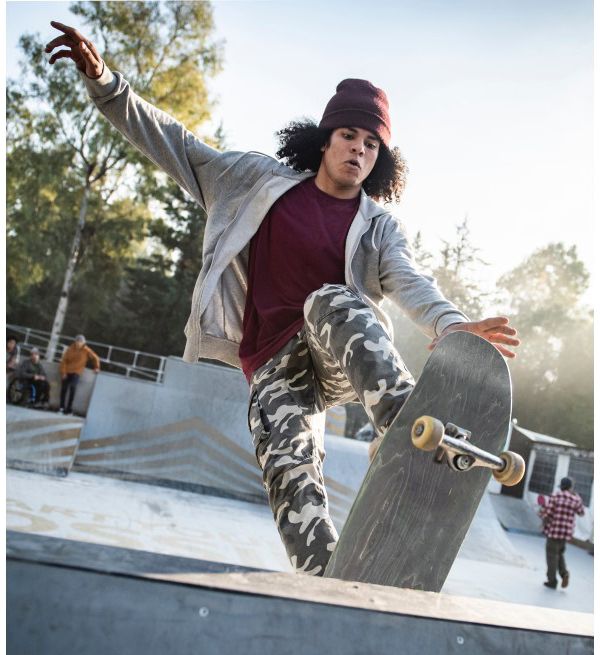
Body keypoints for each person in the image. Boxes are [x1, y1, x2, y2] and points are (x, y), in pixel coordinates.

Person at [46, 22, 520, 576]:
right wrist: (105, 82)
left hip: (338, 355)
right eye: (350, 137)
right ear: (325, 139)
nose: (359, 151)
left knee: (328, 302)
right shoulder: (252, 180)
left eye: (372, 146)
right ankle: (325, 576)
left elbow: (411, 281)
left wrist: (451, 324)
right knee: (286, 466)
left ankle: (403, 425)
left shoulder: (378, 227)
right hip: (273, 367)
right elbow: (175, 143)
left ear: (379, 160)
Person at [539, 477, 585, 589]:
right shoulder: (576, 499)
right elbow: (581, 513)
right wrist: (576, 496)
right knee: (559, 554)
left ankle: (552, 581)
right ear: (570, 487)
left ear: (561, 486)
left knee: (551, 556)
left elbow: (548, 514)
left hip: (554, 531)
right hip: (566, 534)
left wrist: (543, 522)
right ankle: (564, 573)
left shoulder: (556, 496)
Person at [59, 334, 100, 414]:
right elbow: (64, 361)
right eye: (77, 341)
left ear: (84, 342)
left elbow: (96, 358)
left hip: (76, 372)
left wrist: (97, 367)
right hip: (67, 371)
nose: (79, 343)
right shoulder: (70, 349)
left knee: (73, 388)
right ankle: (61, 408)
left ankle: (69, 409)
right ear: (75, 342)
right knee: (64, 389)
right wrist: (63, 372)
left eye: (81, 342)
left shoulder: (86, 350)